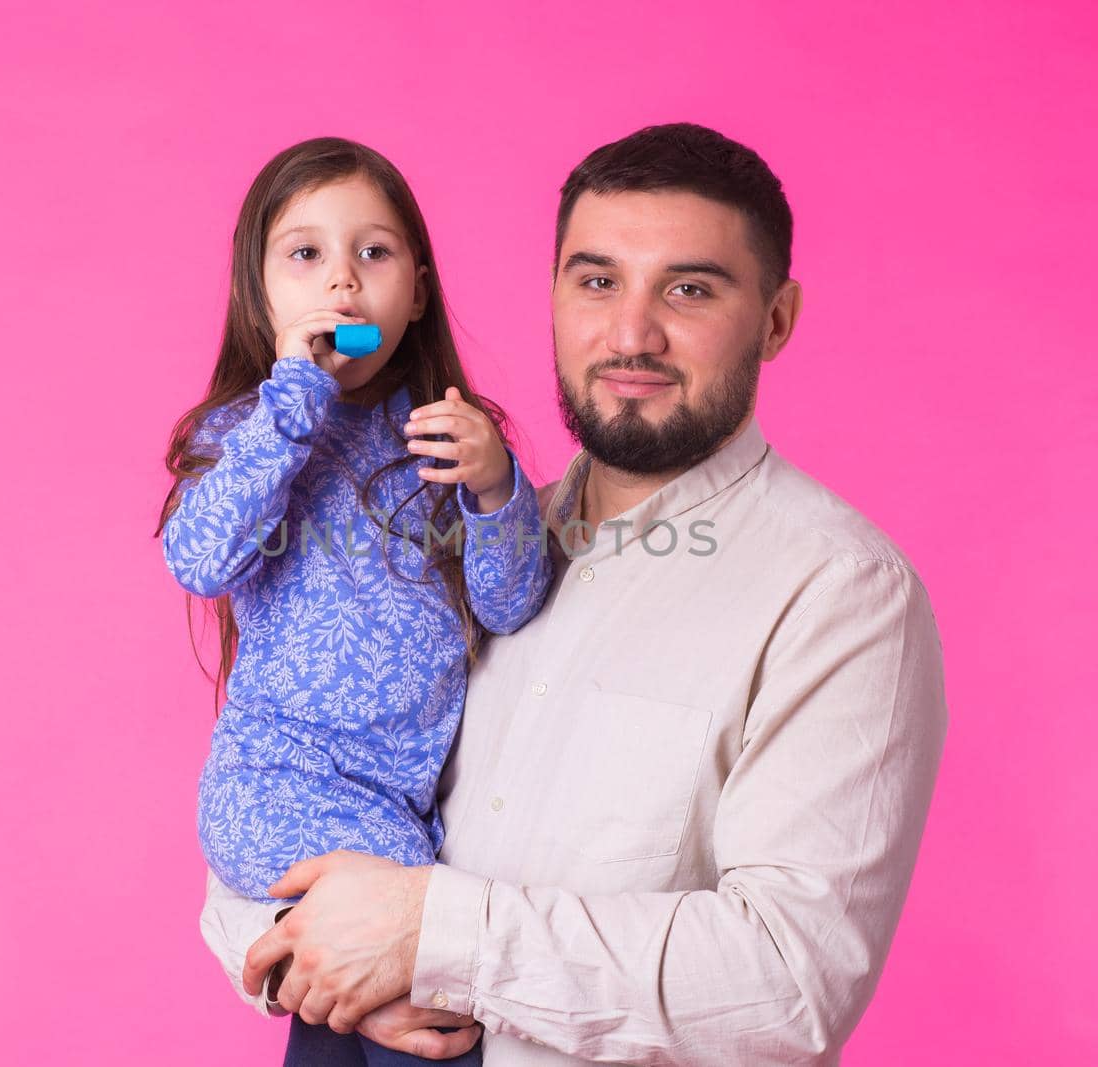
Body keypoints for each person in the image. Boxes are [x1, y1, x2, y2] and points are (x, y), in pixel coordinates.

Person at [199, 123, 949, 1066]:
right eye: (597, 281)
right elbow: (280, 813)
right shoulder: (454, 534)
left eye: (688, 288)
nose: (631, 333)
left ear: (776, 318)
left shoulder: (841, 594)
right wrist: (318, 963)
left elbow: (789, 985)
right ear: (553, 296)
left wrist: (427, 935)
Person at [156, 136, 553, 1066]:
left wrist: (496, 489)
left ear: (416, 291)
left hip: (399, 807)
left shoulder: (444, 438)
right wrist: (292, 395)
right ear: (264, 297)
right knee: (429, 989)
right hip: (281, 786)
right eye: (306, 256)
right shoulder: (247, 432)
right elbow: (200, 557)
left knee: (355, 1012)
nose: (343, 284)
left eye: (373, 253)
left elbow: (511, 603)